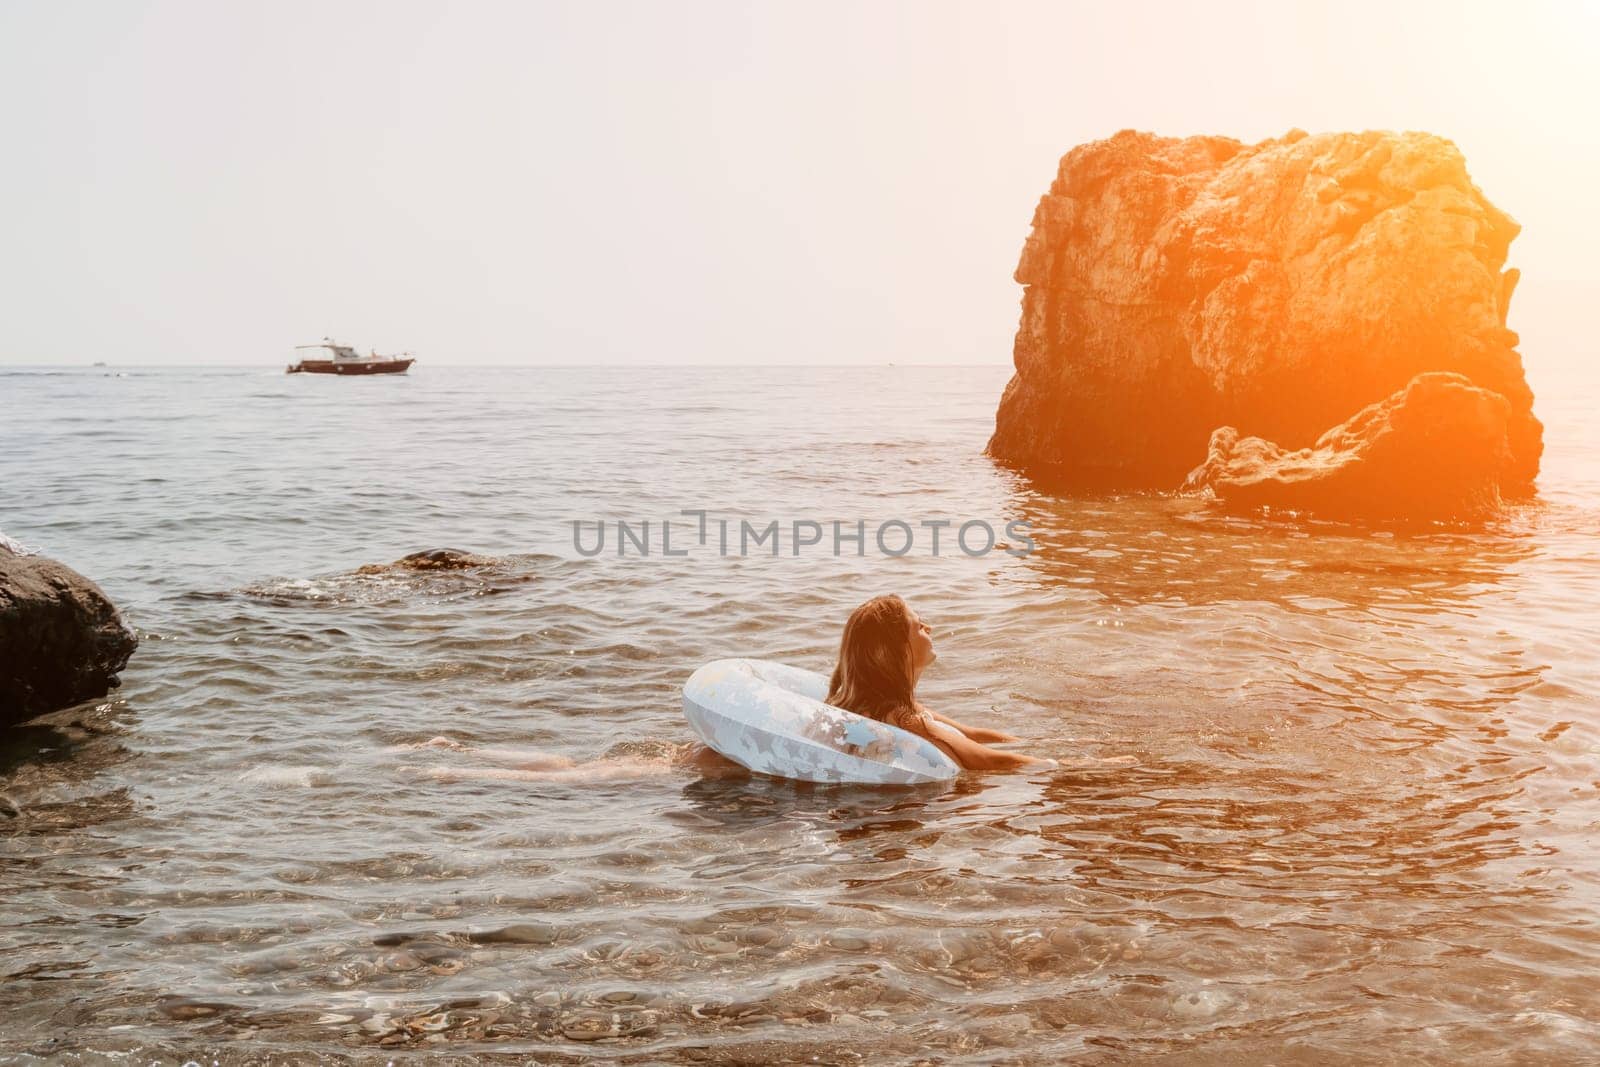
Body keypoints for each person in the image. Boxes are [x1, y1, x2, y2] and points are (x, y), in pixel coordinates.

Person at [826, 594, 1055, 772]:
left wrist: (1050, 742)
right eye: (918, 626)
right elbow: (989, 760)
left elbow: (971, 734)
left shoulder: (884, 703)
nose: (929, 627)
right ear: (899, 651)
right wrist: (1060, 765)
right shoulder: (903, 719)